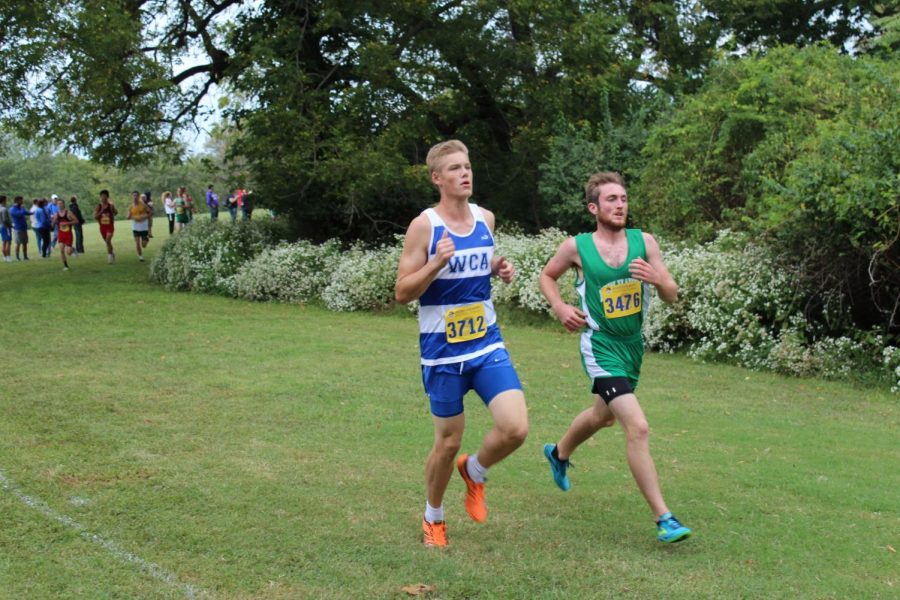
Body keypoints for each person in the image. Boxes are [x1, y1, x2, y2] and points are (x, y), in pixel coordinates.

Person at [539, 171, 692, 544]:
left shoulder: (645, 242)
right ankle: (664, 518)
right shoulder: (577, 246)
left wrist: (657, 279)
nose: (620, 204)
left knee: (601, 417)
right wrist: (560, 307)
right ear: (594, 207)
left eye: (623, 198)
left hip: (632, 346)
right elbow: (547, 276)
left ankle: (558, 453)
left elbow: (673, 295)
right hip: (601, 345)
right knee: (636, 427)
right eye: (611, 199)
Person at [394, 140, 528, 548]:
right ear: (437, 178)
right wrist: (435, 262)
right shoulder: (425, 226)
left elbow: (477, 264)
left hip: (486, 344)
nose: (464, 173)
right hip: (442, 354)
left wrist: (498, 267)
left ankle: (476, 471)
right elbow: (402, 291)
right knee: (447, 441)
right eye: (454, 168)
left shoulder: (486, 218)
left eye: (467, 166)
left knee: (516, 428)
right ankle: (433, 516)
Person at [52, 197, 77, 270]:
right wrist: (53, 222)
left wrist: (67, 222)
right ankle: (65, 266)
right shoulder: (56, 214)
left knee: (68, 253)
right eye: (58, 204)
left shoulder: (68, 213)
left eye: (60, 203)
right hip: (61, 234)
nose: (59, 205)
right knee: (61, 250)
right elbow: (53, 224)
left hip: (68, 234)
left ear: (63, 204)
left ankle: (73, 249)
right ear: (57, 205)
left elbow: (76, 221)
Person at [94, 190, 118, 264]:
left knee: (108, 240)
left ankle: (109, 257)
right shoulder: (98, 206)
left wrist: (113, 207)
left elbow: (116, 213)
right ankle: (112, 253)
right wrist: (101, 211)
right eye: (102, 197)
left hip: (110, 226)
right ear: (100, 197)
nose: (103, 198)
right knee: (108, 242)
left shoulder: (110, 205)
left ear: (107, 197)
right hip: (102, 227)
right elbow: (95, 216)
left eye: (104, 197)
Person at [128, 191, 151, 261]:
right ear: (132, 197)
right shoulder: (131, 206)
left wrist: (144, 216)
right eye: (133, 196)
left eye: (136, 196)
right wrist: (134, 217)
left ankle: (146, 239)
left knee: (143, 245)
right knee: (137, 242)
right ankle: (140, 256)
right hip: (135, 227)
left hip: (144, 227)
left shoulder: (143, 205)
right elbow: (128, 217)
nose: (135, 197)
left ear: (138, 197)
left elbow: (150, 212)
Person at [9, 196, 31, 260]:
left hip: (24, 228)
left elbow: (26, 212)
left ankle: (25, 256)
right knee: (18, 243)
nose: (22, 201)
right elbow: (20, 214)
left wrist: (33, 212)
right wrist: (22, 208)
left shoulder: (20, 208)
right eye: (21, 200)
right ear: (17, 201)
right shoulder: (12, 209)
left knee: (25, 243)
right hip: (18, 228)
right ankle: (17, 257)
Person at [0, 195, 12, 262]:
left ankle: (4, 257)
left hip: (1, 226)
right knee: (8, 242)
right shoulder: (4, 209)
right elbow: (5, 219)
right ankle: (8, 257)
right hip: (6, 227)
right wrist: (10, 225)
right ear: (3, 200)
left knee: (4, 242)